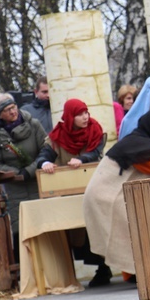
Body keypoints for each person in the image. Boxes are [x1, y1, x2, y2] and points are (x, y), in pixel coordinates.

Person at [83, 110, 150, 285]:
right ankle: (137, 273)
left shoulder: (141, 141)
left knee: (135, 229)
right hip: (106, 197)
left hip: (111, 195)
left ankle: (133, 273)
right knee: (135, 229)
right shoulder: (137, 145)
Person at [36, 98, 108, 286]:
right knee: (77, 232)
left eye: (86, 112)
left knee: (98, 227)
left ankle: (104, 268)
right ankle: (70, 274)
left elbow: (95, 153)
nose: (85, 117)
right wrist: (46, 163)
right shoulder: (57, 136)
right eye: (79, 114)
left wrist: (82, 159)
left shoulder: (95, 130)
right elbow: (44, 155)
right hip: (70, 191)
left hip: (94, 189)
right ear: (70, 117)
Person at [0, 93, 48, 260]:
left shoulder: (34, 125)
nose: (13, 112)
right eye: (7, 110)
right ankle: (27, 271)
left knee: (44, 225)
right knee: (21, 229)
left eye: (13, 107)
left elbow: (46, 150)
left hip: (38, 182)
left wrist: (29, 170)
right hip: (15, 188)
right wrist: (16, 173)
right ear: (0, 115)